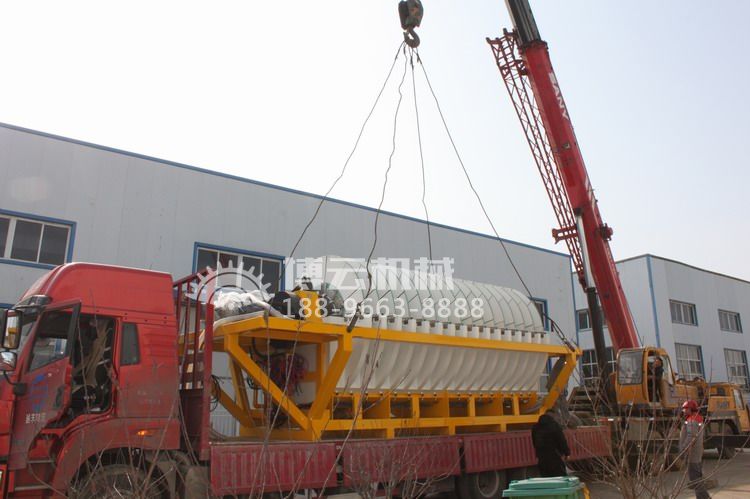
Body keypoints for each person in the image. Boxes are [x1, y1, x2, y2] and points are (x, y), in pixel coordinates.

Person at [679, 399, 710, 499]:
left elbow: (691, 436)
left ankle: (704, 497)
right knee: (697, 477)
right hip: (696, 451)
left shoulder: (692, 420)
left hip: (693, 452)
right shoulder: (697, 418)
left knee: (695, 478)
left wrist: (684, 448)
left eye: (685, 409)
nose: (683, 411)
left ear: (690, 409)